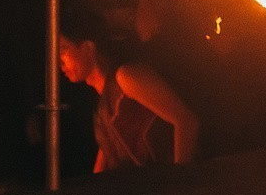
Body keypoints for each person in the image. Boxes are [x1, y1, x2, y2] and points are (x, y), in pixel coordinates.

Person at [56, 23, 201, 171]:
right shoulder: (103, 107)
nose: (59, 64)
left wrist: (179, 182)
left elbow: (186, 121)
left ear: (88, 48)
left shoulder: (126, 77)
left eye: (62, 51)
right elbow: (106, 157)